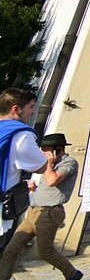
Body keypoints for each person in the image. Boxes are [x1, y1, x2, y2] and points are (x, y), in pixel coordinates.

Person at [0, 132, 83, 280]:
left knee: (45, 251)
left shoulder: (69, 163)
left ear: (58, 150)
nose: (41, 153)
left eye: (45, 150)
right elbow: (46, 185)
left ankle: (72, 273)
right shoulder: (46, 164)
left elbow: (53, 181)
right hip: (33, 211)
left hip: (50, 212)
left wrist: (49, 164)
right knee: (10, 250)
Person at [0, 89, 49, 253]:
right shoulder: (20, 135)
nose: (33, 111)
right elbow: (41, 166)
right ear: (16, 109)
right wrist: (47, 156)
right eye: (31, 106)